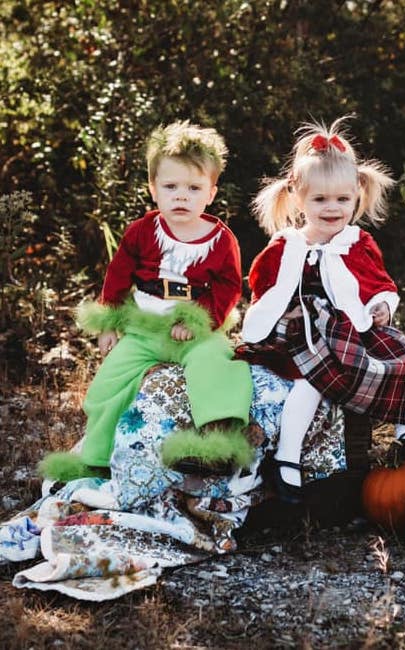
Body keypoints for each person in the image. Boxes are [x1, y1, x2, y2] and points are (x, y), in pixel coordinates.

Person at [238, 117, 405, 504]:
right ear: (298, 197)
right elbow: (262, 285)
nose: (332, 209)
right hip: (302, 330)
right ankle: (288, 459)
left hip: (353, 325)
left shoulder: (356, 242)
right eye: (320, 200)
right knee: (310, 381)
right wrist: (280, 314)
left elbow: (378, 281)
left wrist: (381, 305)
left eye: (342, 200)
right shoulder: (286, 245)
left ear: (356, 196)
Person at [40, 120, 253, 481]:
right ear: (153, 189)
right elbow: (118, 276)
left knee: (216, 365)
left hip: (194, 329)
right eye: (171, 187)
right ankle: (96, 459)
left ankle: (215, 443)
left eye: (193, 188)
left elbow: (229, 287)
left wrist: (201, 320)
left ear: (211, 193)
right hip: (144, 329)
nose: (181, 196)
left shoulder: (220, 240)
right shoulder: (142, 231)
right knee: (109, 382)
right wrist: (108, 323)